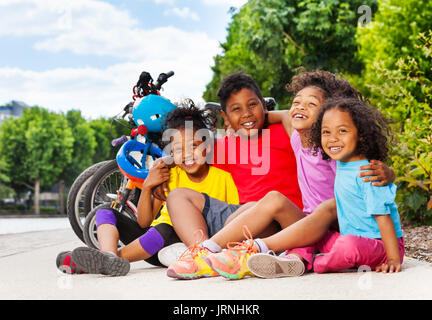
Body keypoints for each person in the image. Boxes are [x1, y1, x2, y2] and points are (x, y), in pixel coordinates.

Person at [165, 71, 395, 280]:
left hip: (338, 223)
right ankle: (209, 251)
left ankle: (256, 250)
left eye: (311, 104)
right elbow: (284, 114)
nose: (300, 108)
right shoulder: (296, 136)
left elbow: (363, 164)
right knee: (272, 199)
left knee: (327, 206)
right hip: (305, 222)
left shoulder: (331, 146)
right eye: (297, 102)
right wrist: (249, 118)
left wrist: (388, 173)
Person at [56, 100, 239, 276]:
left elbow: (232, 220)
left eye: (194, 145)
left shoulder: (223, 178)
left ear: (207, 145)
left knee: (165, 229)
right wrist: (148, 186)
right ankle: (109, 255)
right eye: (178, 149)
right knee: (104, 212)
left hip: (182, 241)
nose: (188, 154)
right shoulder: (169, 175)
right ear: (171, 153)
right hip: (150, 242)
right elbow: (144, 222)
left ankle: (108, 261)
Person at [258, 97, 404, 275]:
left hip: (380, 246)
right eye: (326, 132)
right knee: (314, 233)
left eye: (342, 131)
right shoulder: (342, 163)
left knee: (347, 245)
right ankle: (295, 257)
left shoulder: (368, 172)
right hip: (351, 239)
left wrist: (393, 259)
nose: (333, 139)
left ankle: (318, 262)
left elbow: (384, 218)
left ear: (362, 134)